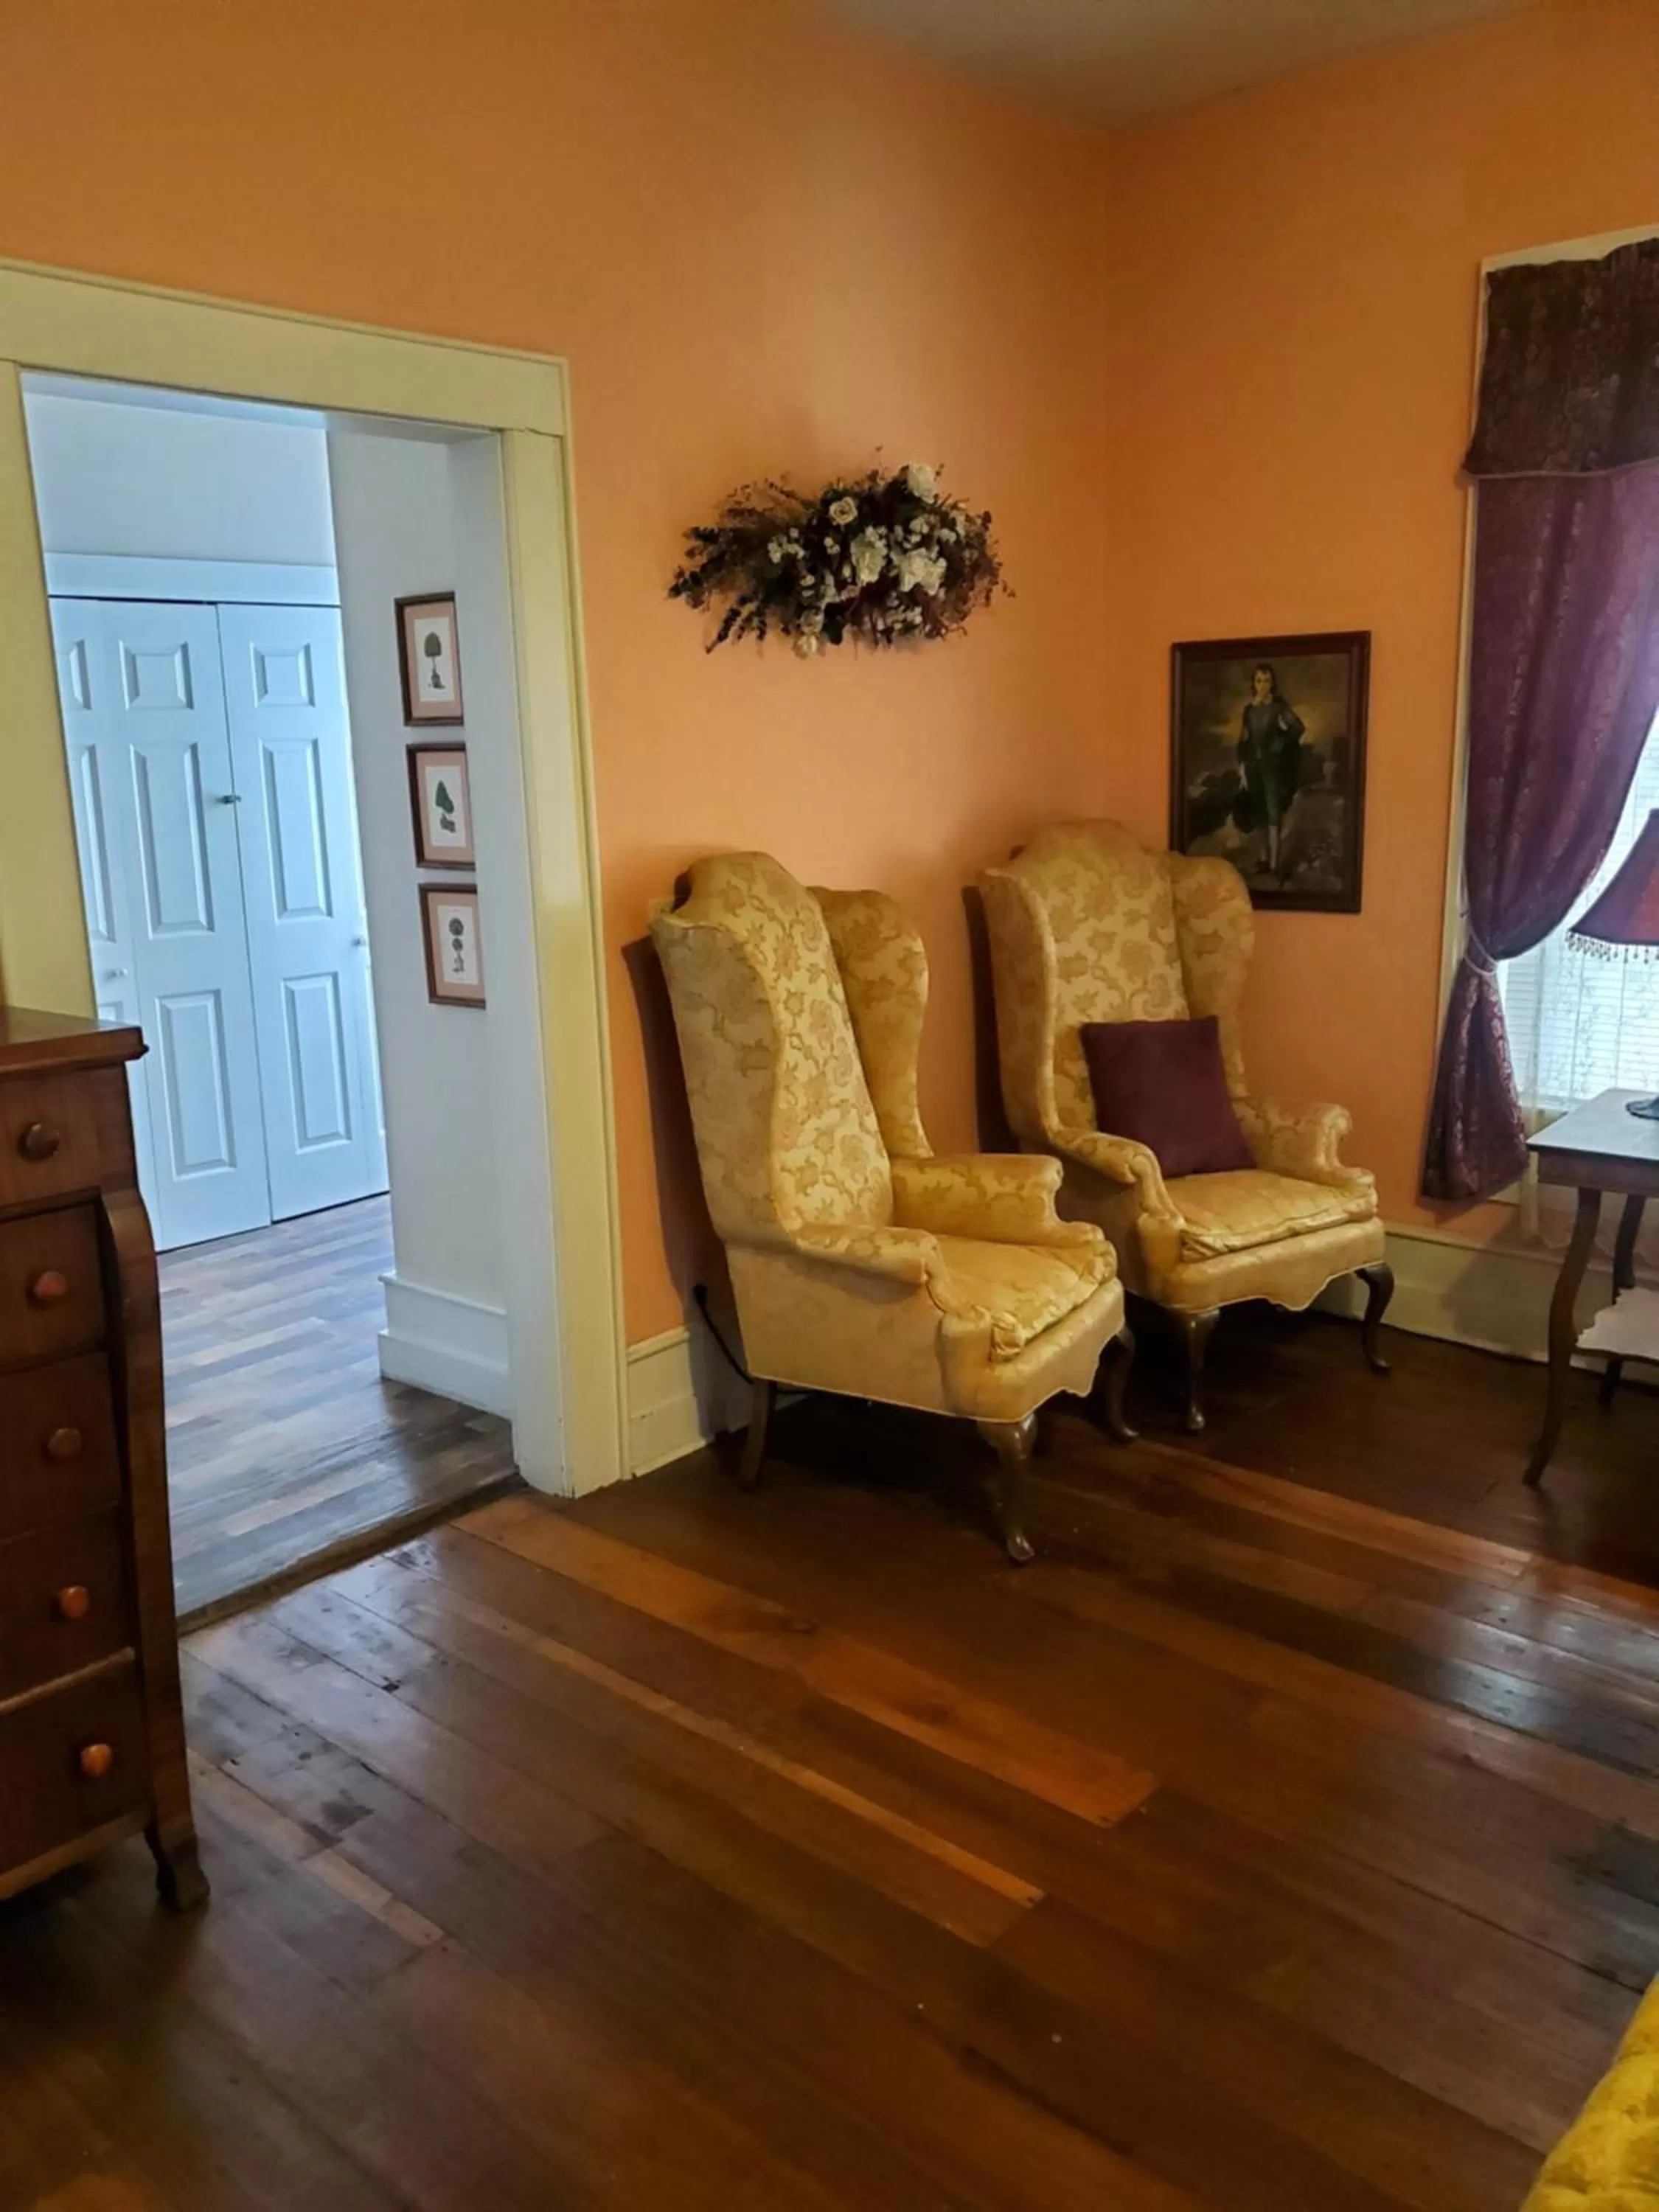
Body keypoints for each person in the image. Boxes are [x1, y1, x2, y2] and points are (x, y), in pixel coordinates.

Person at [1234, 663, 1304, 881]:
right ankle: (1264, 860)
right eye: (1258, 680)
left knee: (1274, 812)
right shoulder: (1249, 710)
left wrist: (1280, 743)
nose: (1262, 685)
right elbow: (1244, 742)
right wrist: (1243, 768)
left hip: (1273, 768)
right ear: (1253, 684)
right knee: (1260, 814)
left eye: (1266, 680)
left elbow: (1298, 728)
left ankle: (1275, 864)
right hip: (1253, 767)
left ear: (1272, 683)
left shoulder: (1278, 707)